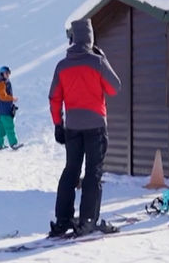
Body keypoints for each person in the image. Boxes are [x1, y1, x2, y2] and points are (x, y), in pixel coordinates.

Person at [49, 19, 121, 237]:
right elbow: (114, 87)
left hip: (72, 127)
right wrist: (103, 59)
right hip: (95, 126)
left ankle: (62, 220)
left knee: (70, 170)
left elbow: (54, 97)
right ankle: (88, 220)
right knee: (93, 173)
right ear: (90, 39)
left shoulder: (62, 65)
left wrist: (58, 124)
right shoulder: (97, 62)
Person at [0, 66, 21, 150]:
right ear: (2, 74)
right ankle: (14, 144)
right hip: (4, 110)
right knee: (10, 126)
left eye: (9, 73)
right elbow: (2, 97)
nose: (8, 75)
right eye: (6, 73)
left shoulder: (4, 82)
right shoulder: (1, 83)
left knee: (2, 129)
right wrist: (12, 98)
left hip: (2, 110)